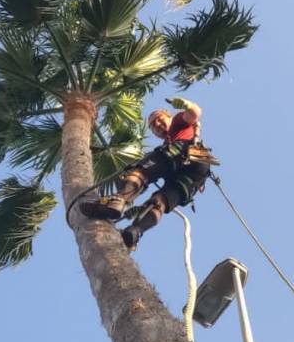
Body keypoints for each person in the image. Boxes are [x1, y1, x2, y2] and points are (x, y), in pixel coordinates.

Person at [80, 96, 217, 249]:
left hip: (185, 151)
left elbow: (195, 113)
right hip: (197, 171)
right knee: (159, 202)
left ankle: (118, 201)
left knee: (140, 171)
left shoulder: (178, 123)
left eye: (159, 119)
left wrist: (187, 104)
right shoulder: (172, 138)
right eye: (153, 126)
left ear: (169, 116)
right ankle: (135, 231)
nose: (157, 124)